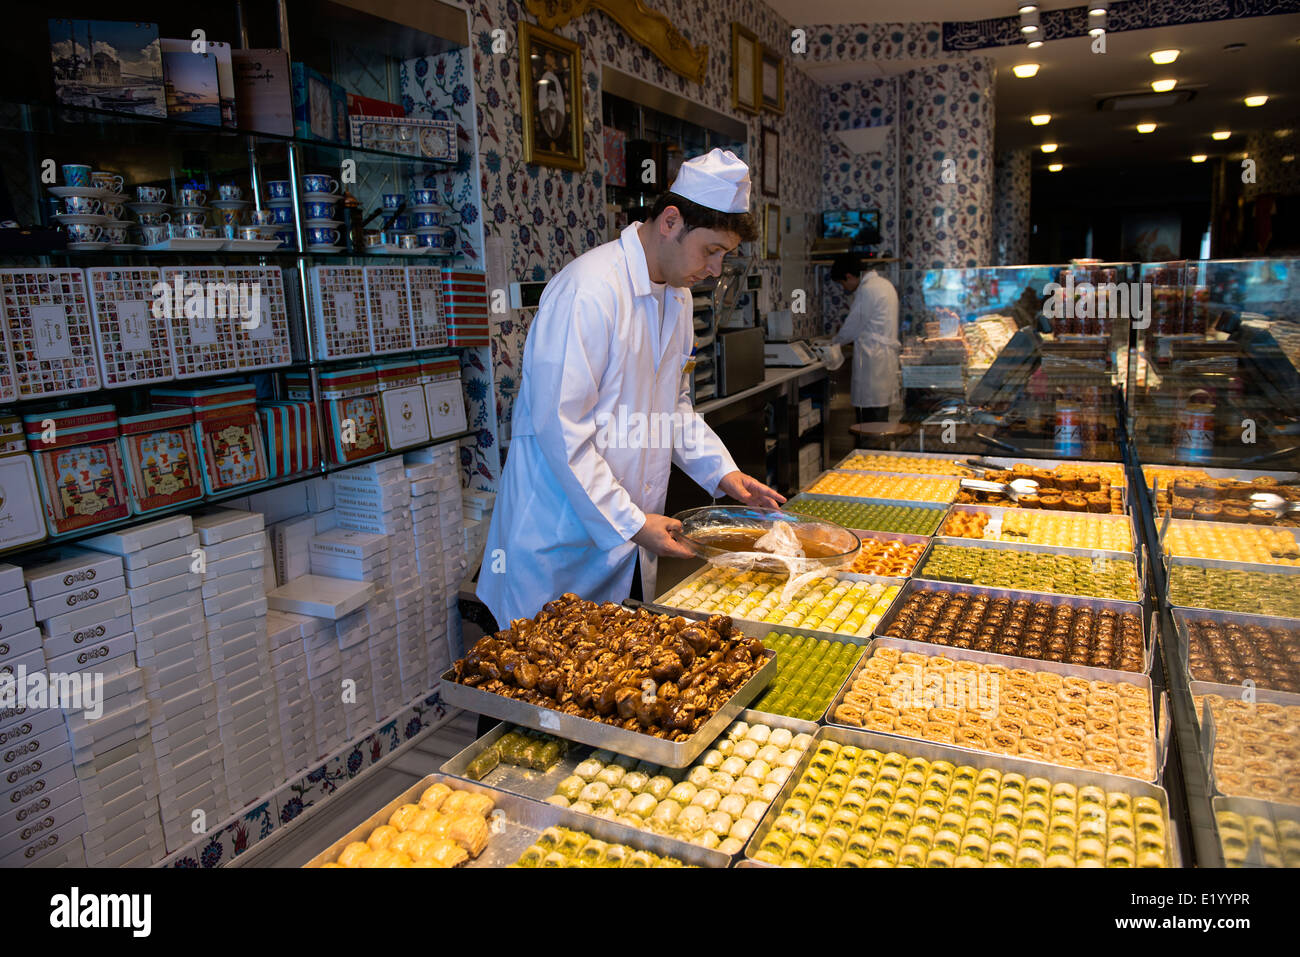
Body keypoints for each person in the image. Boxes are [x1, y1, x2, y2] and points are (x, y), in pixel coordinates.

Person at [478, 148, 786, 630]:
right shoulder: (589, 291)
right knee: (533, 685)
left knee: (605, 688)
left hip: (623, 543)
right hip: (557, 546)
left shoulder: (677, 299)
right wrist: (634, 521)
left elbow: (674, 409)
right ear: (670, 221)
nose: (716, 270)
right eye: (711, 251)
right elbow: (563, 433)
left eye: (724, 255)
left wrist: (724, 473)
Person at [829, 255, 901, 423]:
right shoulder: (885, 285)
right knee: (880, 415)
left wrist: (833, 343)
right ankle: (877, 448)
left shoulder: (868, 289)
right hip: (883, 358)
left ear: (849, 276)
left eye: (842, 283)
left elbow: (852, 326)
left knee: (870, 419)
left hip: (873, 360)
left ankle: (869, 449)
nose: (845, 288)